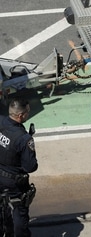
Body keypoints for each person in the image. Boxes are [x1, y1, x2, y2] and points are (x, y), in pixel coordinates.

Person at [0, 98, 38, 237]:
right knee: (19, 211)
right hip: (14, 181)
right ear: (21, 115)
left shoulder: (1, 121)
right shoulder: (24, 139)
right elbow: (30, 167)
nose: (28, 114)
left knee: (2, 208)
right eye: (28, 112)